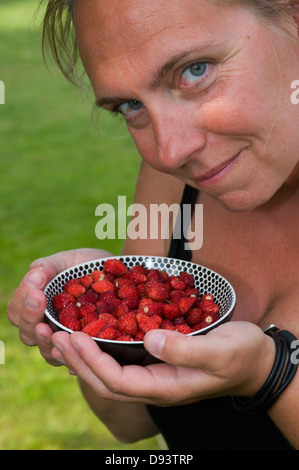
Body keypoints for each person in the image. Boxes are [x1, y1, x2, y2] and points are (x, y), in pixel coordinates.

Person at [7, 0, 299, 450]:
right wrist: (92, 342)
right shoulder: (176, 182)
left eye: (195, 70)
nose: (168, 152)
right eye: (129, 105)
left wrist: (271, 375)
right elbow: (131, 423)